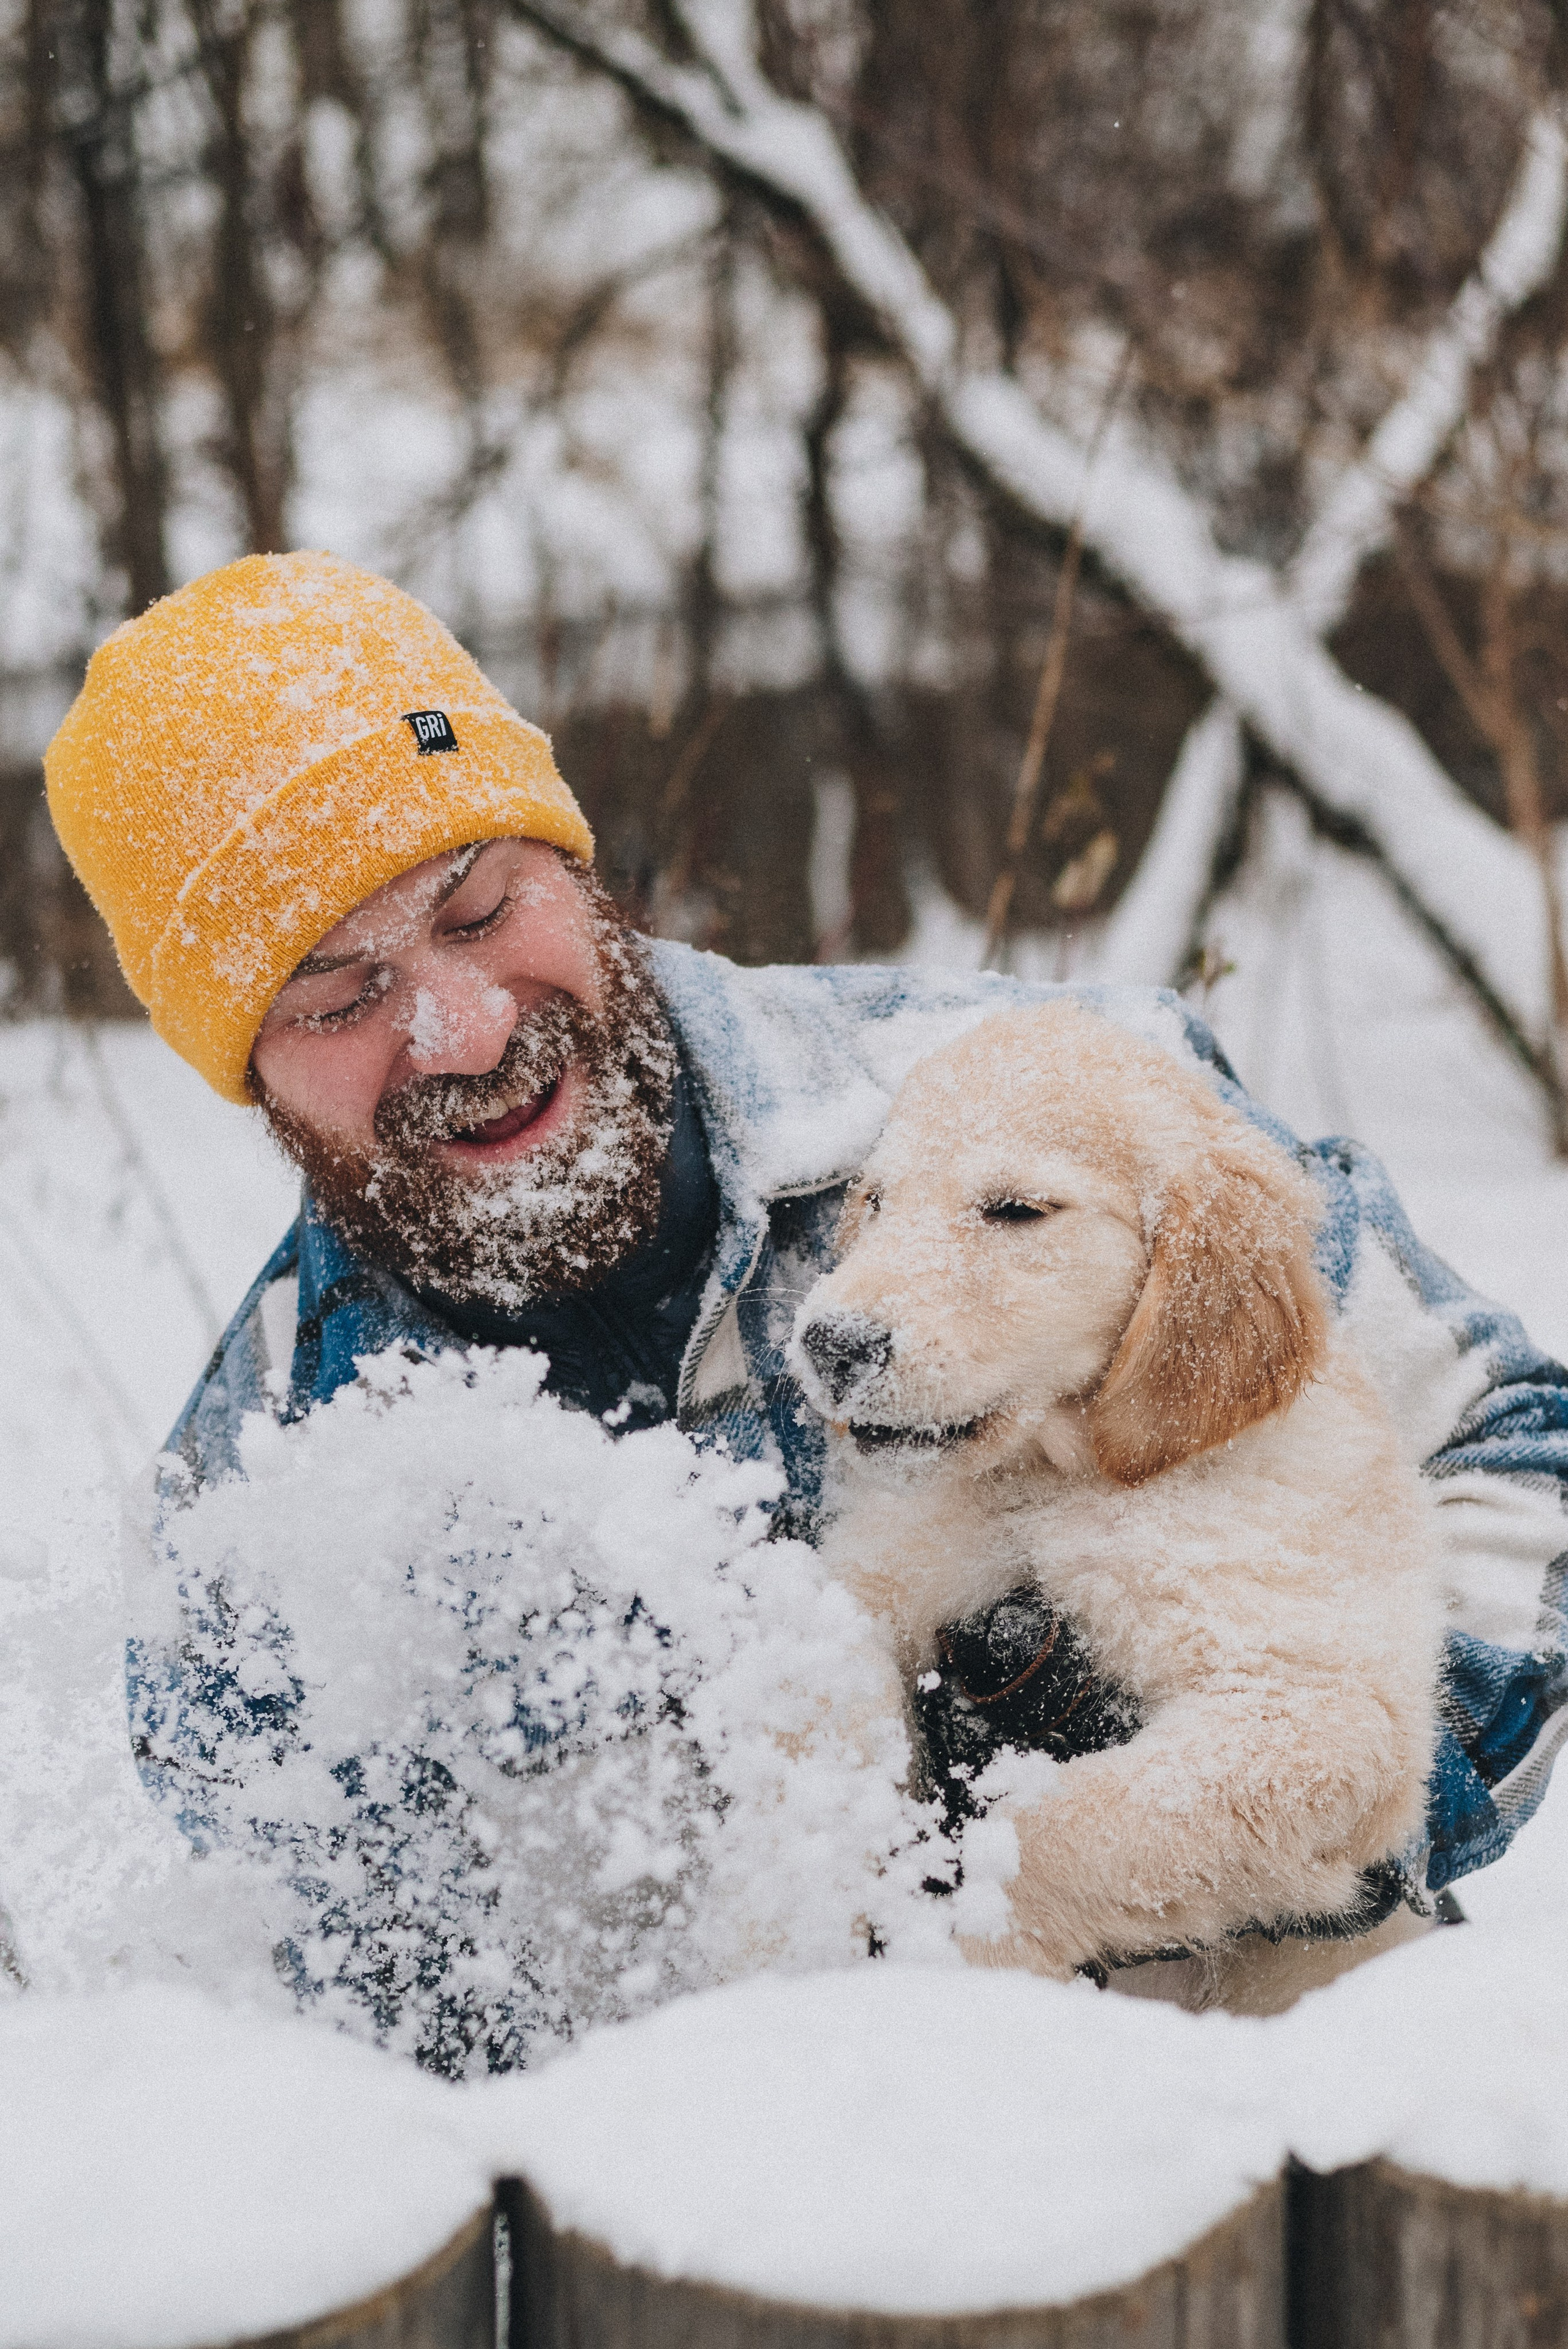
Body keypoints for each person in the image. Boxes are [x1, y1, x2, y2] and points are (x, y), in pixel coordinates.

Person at [45, 551, 1568, 2045]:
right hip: (761, 2180)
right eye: (338, 996)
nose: (466, 1027)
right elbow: (359, 2056)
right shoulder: (261, 1520)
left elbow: (1515, 1442)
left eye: (480, 909)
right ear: (251, 1074)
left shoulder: (1027, 1096)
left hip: (1288, 2138)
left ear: (574, 868)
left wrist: (1319, 1803)